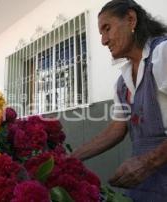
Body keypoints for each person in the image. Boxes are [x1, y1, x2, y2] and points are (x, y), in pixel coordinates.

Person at [71, 0, 167, 201]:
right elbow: (117, 129)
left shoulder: (162, 54)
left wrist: (148, 162)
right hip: (146, 186)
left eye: (107, 28)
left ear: (131, 19)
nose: (103, 41)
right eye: (100, 33)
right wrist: (69, 159)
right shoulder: (122, 83)